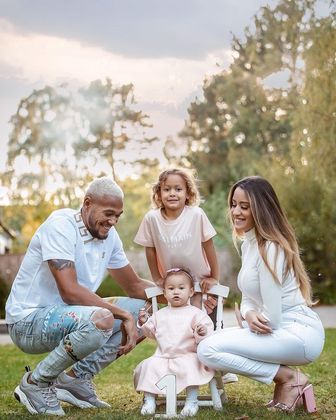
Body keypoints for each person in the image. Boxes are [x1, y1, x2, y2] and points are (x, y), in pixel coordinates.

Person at [5, 176, 155, 416]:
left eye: (118, 215)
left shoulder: (109, 237)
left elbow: (135, 286)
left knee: (146, 308)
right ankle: (36, 382)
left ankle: (76, 380)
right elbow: (70, 291)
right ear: (87, 203)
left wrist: (181, 292)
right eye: (108, 213)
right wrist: (122, 314)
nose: (113, 221)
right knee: (103, 318)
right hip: (26, 322)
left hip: (70, 316)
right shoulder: (61, 226)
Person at [197, 176, 325, 414]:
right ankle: (286, 380)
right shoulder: (249, 243)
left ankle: (288, 378)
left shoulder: (271, 248)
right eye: (234, 204)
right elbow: (248, 299)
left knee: (208, 350)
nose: (236, 211)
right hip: (279, 329)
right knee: (206, 344)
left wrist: (252, 318)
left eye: (244, 206)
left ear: (261, 209)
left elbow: (273, 319)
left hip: (298, 333)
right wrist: (248, 312)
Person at [134, 167, 238, 385]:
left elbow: (208, 245)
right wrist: (157, 278)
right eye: (167, 189)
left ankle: (221, 366)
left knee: (207, 323)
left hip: (200, 279)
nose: (172, 193)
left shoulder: (196, 214)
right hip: (174, 282)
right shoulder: (152, 218)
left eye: (178, 189)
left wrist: (214, 277)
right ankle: (180, 366)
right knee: (181, 326)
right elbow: (150, 249)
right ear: (158, 193)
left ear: (188, 193)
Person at [134, 268, 214, 417]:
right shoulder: (159, 314)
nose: (176, 292)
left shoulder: (195, 313)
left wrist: (201, 332)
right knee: (148, 366)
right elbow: (150, 333)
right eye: (171, 289)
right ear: (164, 293)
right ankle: (149, 399)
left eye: (181, 288)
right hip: (163, 356)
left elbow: (206, 333)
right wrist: (144, 322)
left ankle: (191, 401)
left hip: (187, 354)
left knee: (191, 366)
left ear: (191, 292)